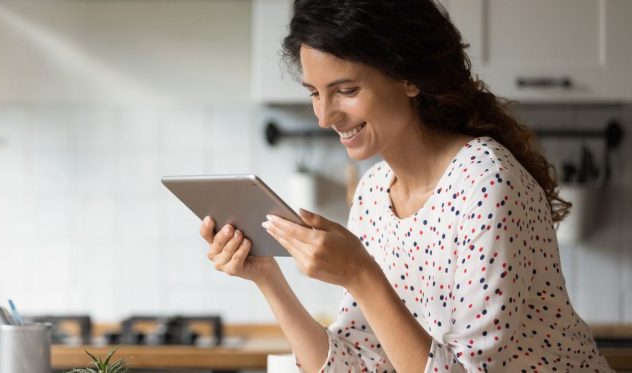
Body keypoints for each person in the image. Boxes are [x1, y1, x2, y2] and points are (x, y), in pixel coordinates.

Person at [200, 0, 613, 372]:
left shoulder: (486, 183)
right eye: (314, 94)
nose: (325, 117)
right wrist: (267, 277)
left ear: (410, 79)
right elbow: (357, 365)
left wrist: (360, 274)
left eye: (346, 90)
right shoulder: (374, 191)